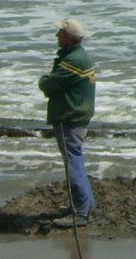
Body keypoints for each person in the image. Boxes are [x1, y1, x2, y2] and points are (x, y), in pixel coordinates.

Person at [39, 17, 96, 227]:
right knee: (76, 158)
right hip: (79, 116)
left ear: (69, 39)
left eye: (60, 33)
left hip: (69, 117)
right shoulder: (79, 57)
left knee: (73, 162)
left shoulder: (72, 62)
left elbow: (49, 85)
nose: (56, 36)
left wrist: (43, 80)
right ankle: (86, 204)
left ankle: (81, 211)